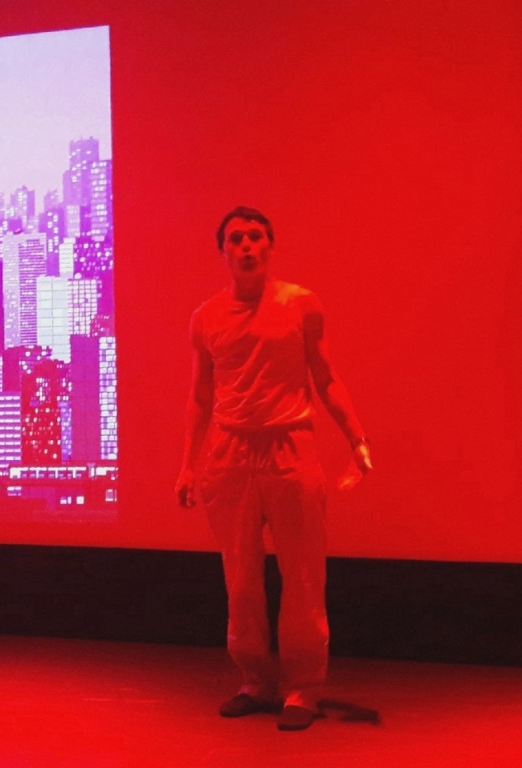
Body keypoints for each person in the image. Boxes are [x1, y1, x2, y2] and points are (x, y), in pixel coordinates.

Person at [174, 206, 372, 732]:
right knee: (240, 578)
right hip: (230, 451)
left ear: (270, 246)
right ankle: (255, 680)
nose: (247, 246)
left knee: (303, 574)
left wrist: (357, 438)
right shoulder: (206, 317)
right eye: (236, 238)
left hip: (290, 445)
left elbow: (326, 377)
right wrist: (188, 465)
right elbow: (200, 396)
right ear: (223, 251)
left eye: (256, 237)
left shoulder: (300, 304)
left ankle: (303, 686)